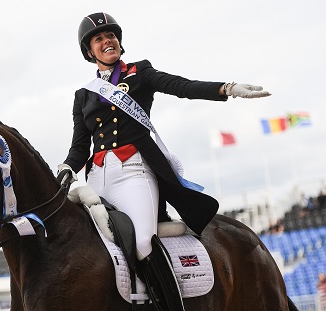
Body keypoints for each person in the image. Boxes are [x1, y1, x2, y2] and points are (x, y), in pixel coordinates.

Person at [57, 12, 271, 311]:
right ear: (89, 51)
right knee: (91, 248)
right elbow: (80, 146)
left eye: (111, 36)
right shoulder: (83, 95)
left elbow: (181, 86)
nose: (108, 41)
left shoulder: (139, 72)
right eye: (99, 39)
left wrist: (226, 88)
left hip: (135, 172)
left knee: (143, 242)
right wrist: (67, 166)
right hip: (98, 179)